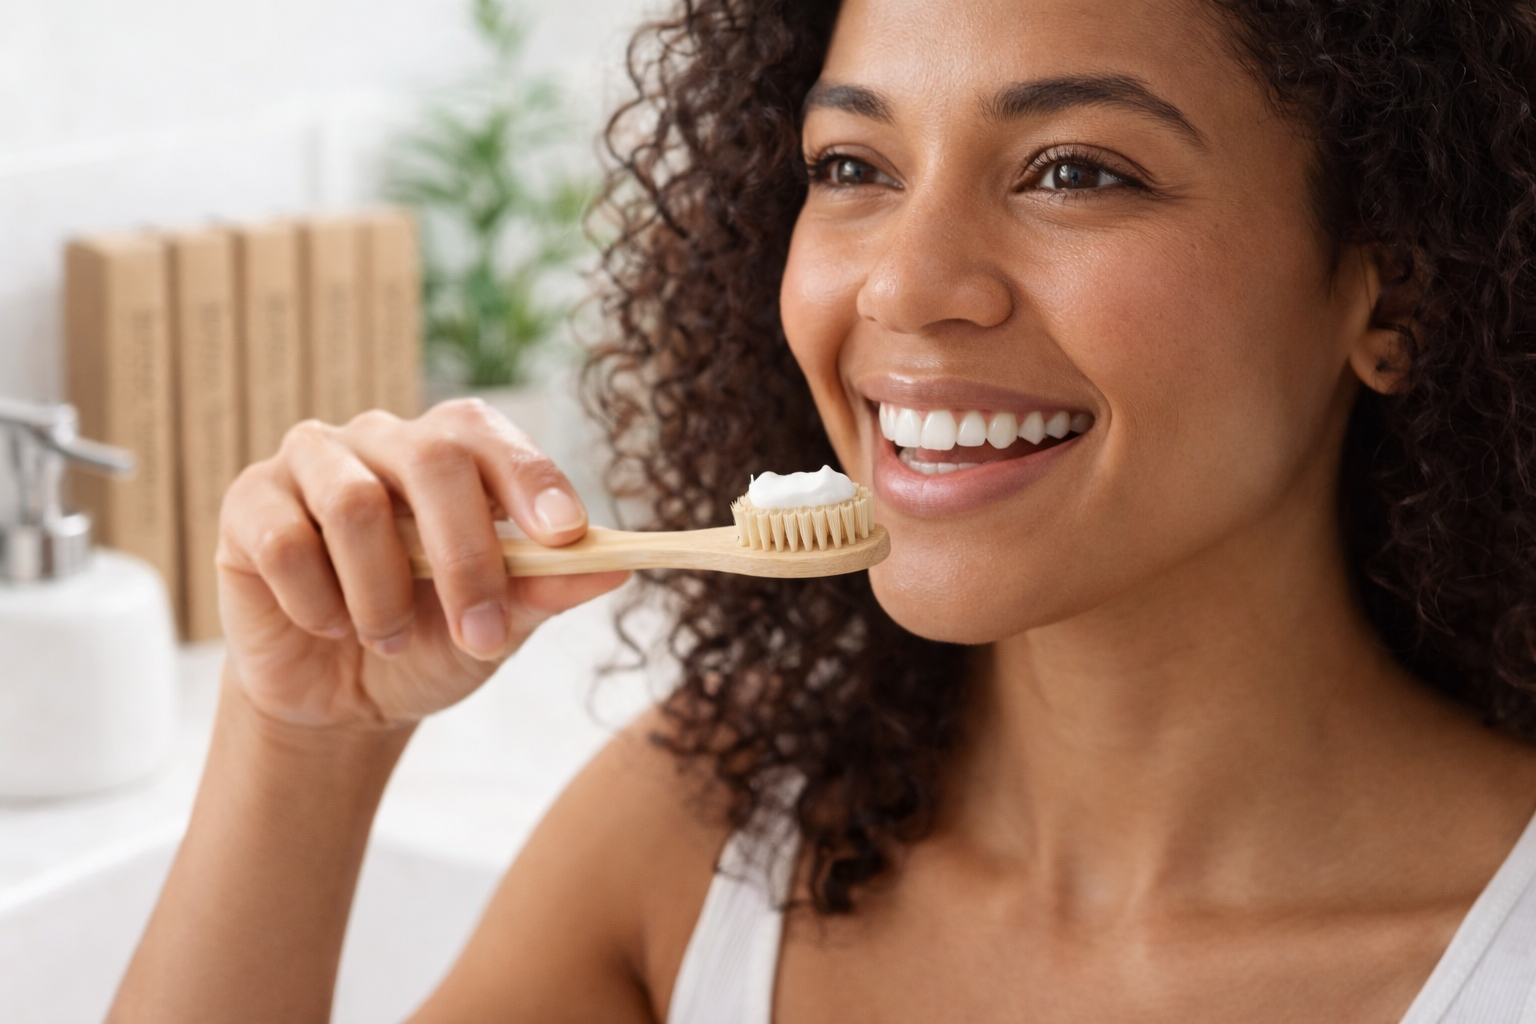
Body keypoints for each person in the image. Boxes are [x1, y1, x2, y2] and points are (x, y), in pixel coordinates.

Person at [108, 0, 1536, 1020]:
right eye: (853, 168)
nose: (906, 287)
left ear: (1388, 289)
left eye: (1076, 172)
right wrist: (303, 742)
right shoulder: (701, 837)